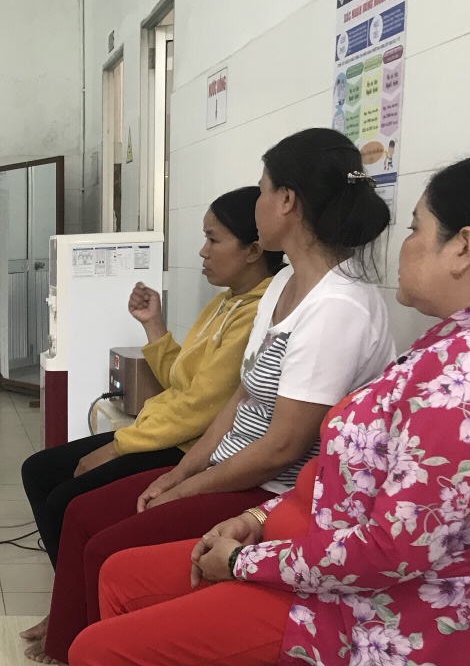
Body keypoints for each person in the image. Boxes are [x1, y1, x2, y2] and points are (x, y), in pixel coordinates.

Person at [49, 148, 470, 666]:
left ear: (465, 247)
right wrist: (259, 523)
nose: (403, 245)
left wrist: (247, 557)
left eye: (418, 229)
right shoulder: (457, 343)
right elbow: (341, 474)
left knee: (103, 659)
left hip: (386, 609)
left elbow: (394, 551)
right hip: (321, 556)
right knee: (125, 576)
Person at [4, 126, 397, 666]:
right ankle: (77, 655)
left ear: (287, 201)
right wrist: (180, 473)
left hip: (276, 495)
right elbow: (240, 398)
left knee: (107, 546)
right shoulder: (285, 283)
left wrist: (186, 487)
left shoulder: (338, 307)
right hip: (230, 468)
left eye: (262, 190)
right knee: (83, 512)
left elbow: (282, 447)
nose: (256, 202)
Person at [21, 187, 283, 571]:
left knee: (64, 500)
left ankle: (74, 591)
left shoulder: (257, 314)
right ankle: (68, 584)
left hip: (187, 445)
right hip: (162, 431)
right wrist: (153, 324)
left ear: (253, 251)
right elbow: (181, 381)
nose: (203, 251)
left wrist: (119, 446)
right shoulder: (226, 302)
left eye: (213, 240)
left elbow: (200, 408)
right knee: (39, 470)